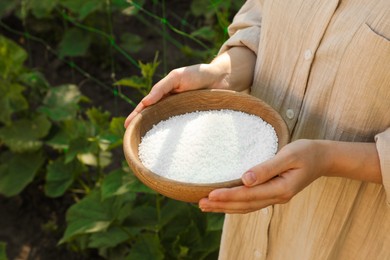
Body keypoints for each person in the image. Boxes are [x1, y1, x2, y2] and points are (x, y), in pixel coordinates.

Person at [125, 0, 390, 259]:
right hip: (249, 226)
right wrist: (219, 73)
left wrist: (326, 158)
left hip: (340, 229)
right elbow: (261, 22)